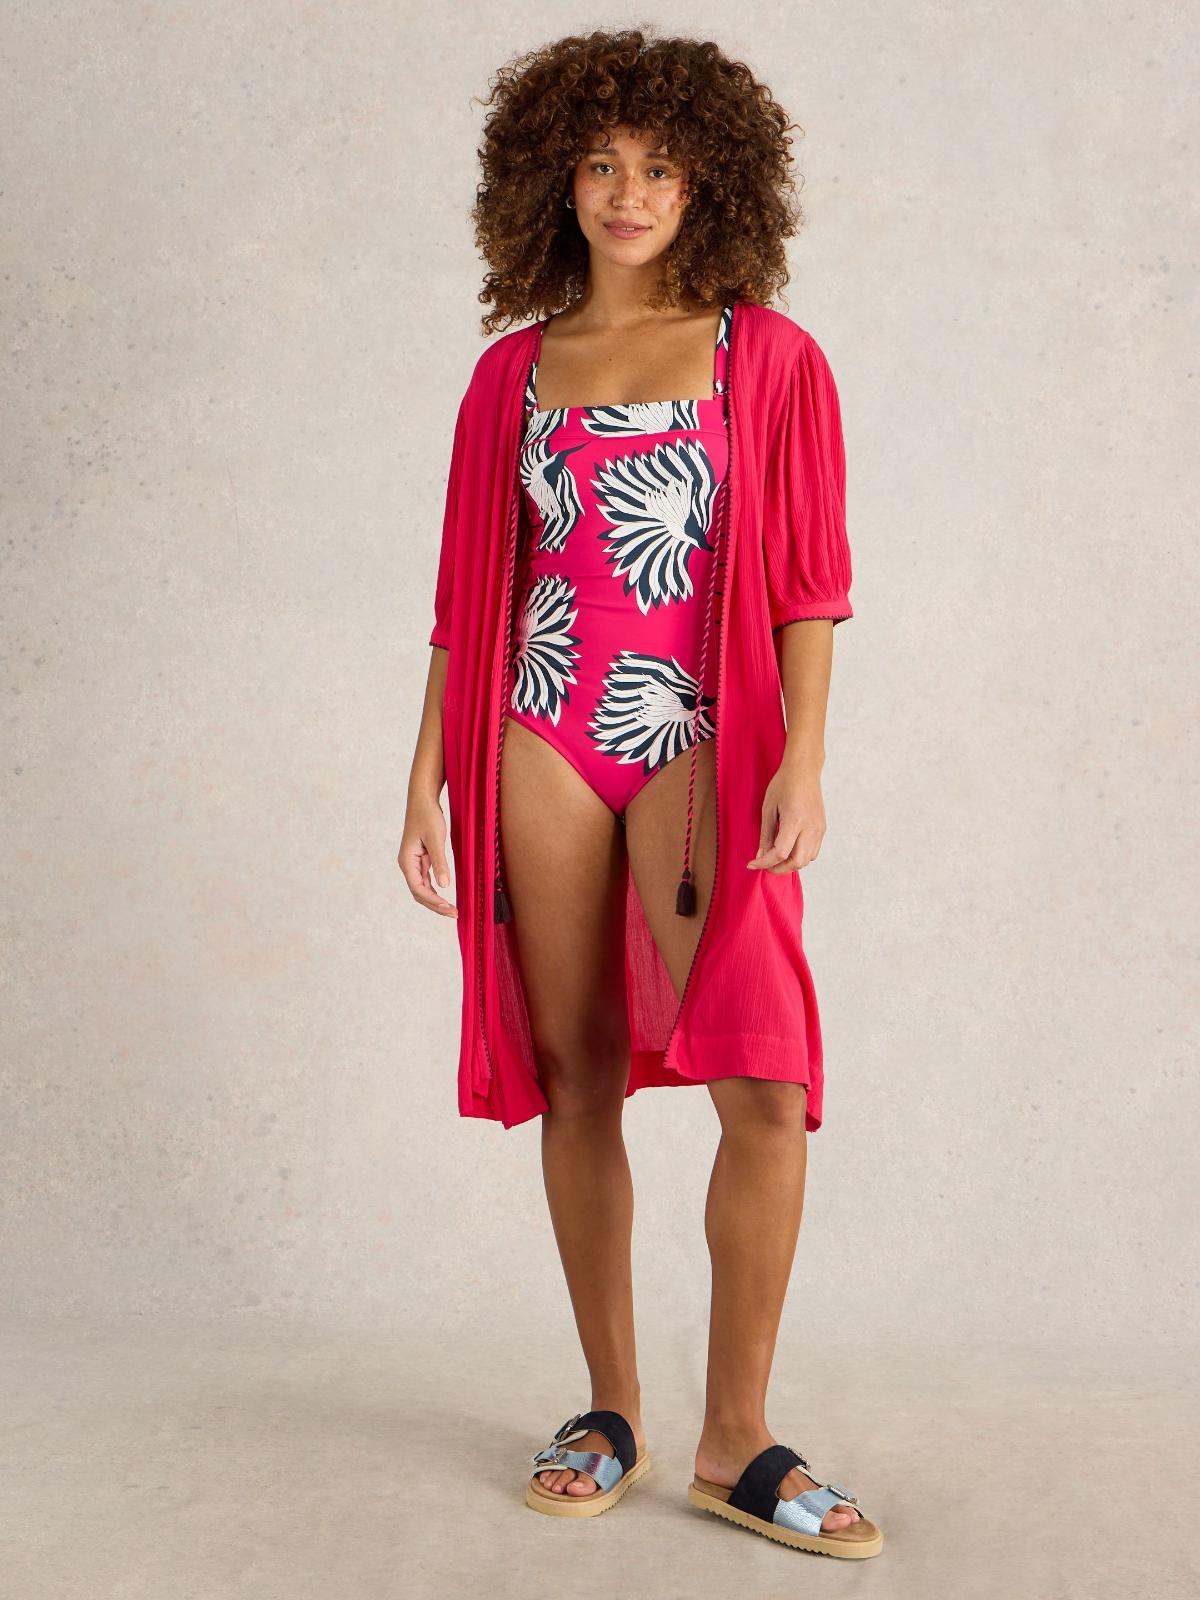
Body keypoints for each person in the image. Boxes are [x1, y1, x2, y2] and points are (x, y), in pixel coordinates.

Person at [399, 28, 882, 1561]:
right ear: (556, 178)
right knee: (577, 1076)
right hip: (537, 732)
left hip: (698, 733)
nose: (627, 192)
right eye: (601, 163)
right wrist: (425, 780)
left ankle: (738, 1440)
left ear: (707, 184)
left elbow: (809, 584)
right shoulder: (511, 374)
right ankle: (611, 1407)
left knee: (765, 1083)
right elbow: (467, 602)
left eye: (660, 167)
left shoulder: (767, 358)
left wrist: (804, 755)